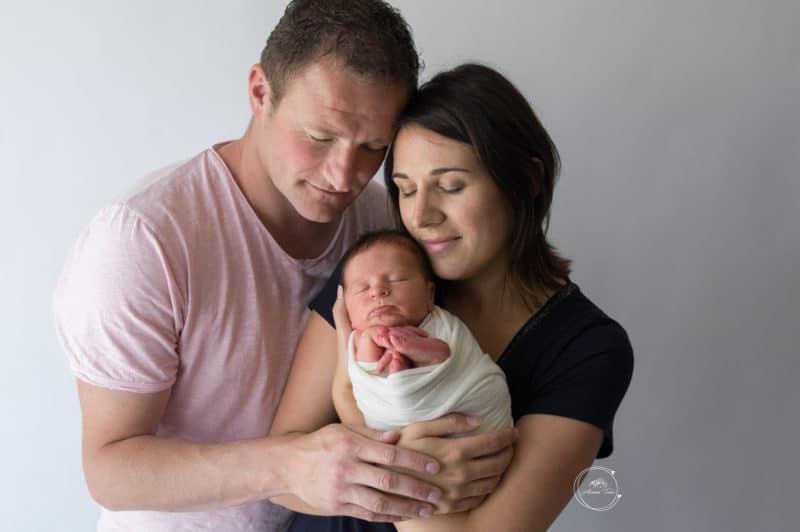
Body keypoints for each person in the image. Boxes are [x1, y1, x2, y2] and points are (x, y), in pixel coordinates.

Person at [52, 2, 515, 530]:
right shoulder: (142, 241)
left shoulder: (381, 221)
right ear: (259, 93)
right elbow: (109, 470)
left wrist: (436, 466)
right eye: (320, 137)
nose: (344, 175)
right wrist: (289, 465)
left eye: (373, 148)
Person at [271, 63, 634, 532]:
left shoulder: (588, 350)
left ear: (526, 178)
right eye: (404, 190)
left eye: (450, 186)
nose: (420, 215)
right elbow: (280, 473)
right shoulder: (375, 279)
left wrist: (387, 464)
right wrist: (395, 458)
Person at [335, 229, 513, 434]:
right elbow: (367, 373)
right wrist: (372, 339)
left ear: (430, 295)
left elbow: (465, 366)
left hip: (476, 414)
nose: (377, 291)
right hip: (397, 428)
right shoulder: (356, 339)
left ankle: (426, 356)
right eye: (363, 289)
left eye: (396, 280)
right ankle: (410, 367)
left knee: (440, 355)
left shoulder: (440, 324)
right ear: (346, 307)